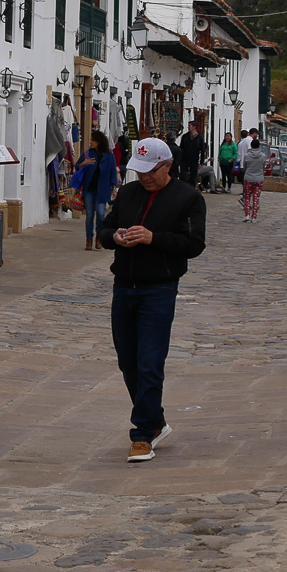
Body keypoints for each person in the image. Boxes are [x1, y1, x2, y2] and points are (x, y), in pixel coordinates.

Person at [99, 139, 206, 463]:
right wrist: (115, 236)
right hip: (123, 287)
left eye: (151, 171)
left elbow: (194, 243)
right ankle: (156, 421)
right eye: (140, 171)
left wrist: (152, 238)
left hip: (158, 289)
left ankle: (142, 434)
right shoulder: (128, 194)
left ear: (167, 166)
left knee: (149, 362)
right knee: (127, 362)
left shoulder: (188, 198)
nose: (144, 177)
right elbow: (105, 229)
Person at [71, 130, 117, 251]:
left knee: (101, 215)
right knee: (90, 216)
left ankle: (99, 238)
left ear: (99, 141)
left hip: (103, 190)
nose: (90, 142)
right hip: (89, 189)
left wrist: (115, 187)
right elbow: (76, 166)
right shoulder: (87, 154)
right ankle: (89, 239)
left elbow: (113, 172)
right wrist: (84, 163)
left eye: (92, 140)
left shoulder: (109, 155)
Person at [240, 134, 270, 223]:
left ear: (251, 146)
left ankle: (247, 215)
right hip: (259, 179)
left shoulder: (247, 156)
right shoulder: (263, 156)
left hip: (248, 178)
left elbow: (244, 167)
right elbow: (264, 166)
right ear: (259, 146)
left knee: (247, 197)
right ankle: (254, 217)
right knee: (256, 198)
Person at [177, 120, 206, 193]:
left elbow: (202, 151)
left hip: (194, 159)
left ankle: (192, 190)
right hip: (184, 159)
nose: (188, 127)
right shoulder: (185, 137)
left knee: (193, 176)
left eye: (190, 126)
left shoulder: (199, 138)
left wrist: (201, 162)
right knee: (182, 175)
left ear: (194, 127)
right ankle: (181, 189)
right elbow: (181, 148)